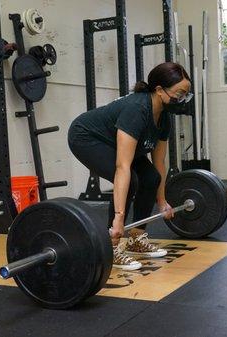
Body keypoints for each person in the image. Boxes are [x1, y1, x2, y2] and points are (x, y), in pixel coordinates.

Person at [68, 62, 192, 271]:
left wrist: (162, 202)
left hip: (113, 140)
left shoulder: (164, 117)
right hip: (86, 137)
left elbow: (159, 163)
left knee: (150, 177)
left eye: (185, 95)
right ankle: (111, 247)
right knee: (132, 179)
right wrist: (119, 219)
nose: (182, 100)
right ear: (160, 91)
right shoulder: (137, 110)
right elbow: (122, 167)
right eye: (178, 94)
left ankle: (136, 239)